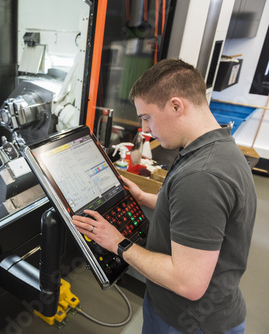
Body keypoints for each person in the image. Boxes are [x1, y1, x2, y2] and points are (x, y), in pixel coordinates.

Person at [72, 58, 257, 333]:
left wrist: (117, 243)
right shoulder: (217, 148)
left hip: (188, 322)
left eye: (147, 117)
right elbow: (205, 218)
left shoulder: (201, 177)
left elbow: (188, 284)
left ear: (175, 106)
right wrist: (148, 199)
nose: (146, 129)